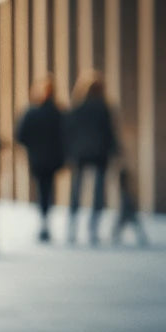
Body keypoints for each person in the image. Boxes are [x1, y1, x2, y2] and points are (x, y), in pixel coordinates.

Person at [65, 71, 119, 245]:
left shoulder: (77, 108)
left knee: (77, 189)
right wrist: (115, 150)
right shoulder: (104, 108)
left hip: (80, 152)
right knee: (98, 191)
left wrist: (69, 151)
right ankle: (93, 228)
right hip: (99, 152)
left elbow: (69, 132)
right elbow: (110, 133)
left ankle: (72, 227)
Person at [16, 74, 66, 242]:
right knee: (48, 188)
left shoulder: (32, 112)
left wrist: (33, 146)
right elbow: (64, 135)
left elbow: (21, 135)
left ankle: (43, 221)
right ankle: (45, 221)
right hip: (52, 158)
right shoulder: (57, 113)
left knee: (41, 189)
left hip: (37, 158)